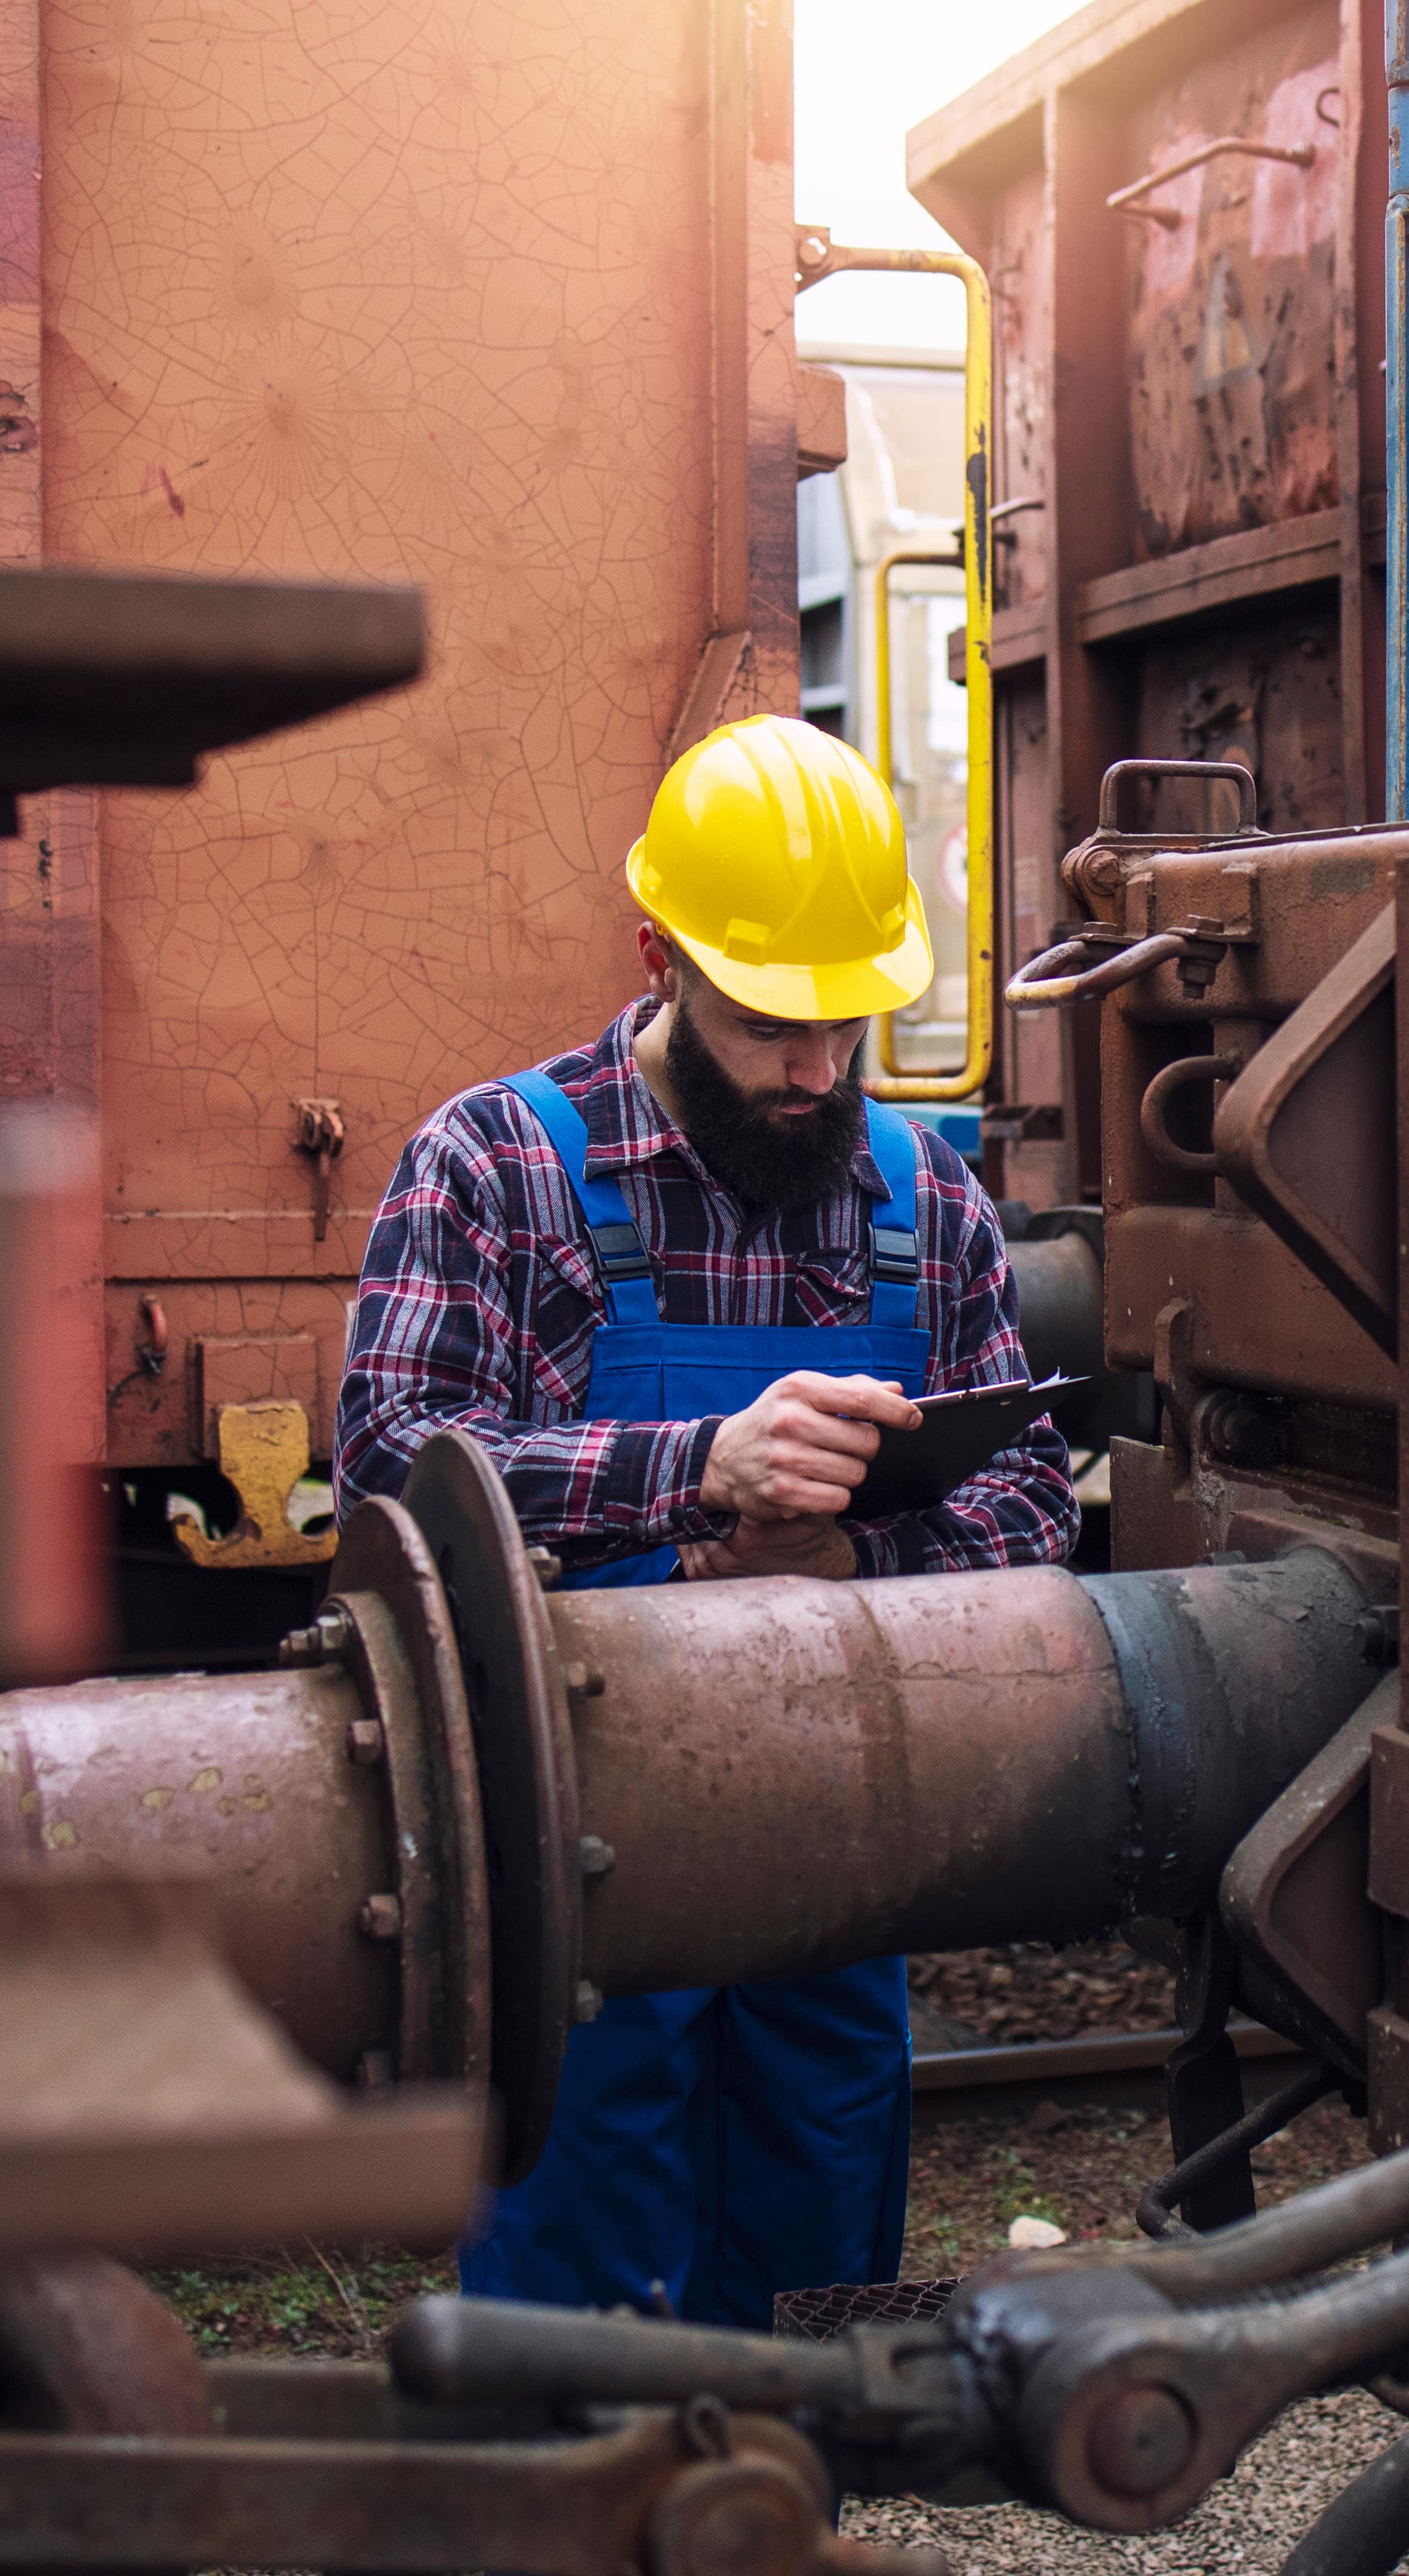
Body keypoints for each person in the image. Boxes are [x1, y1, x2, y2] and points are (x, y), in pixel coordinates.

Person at [336, 713, 1078, 2325]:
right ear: (659, 951)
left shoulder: (926, 1195)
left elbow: (1031, 1505)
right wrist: (697, 1471)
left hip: (852, 1837)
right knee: (581, 2281)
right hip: (578, 1855)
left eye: (848, 1023)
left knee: (826, 2274)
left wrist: (852, 1545)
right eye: (770, 1025)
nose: (818, 1069)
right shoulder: (495, 1167)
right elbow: (393, 1471)